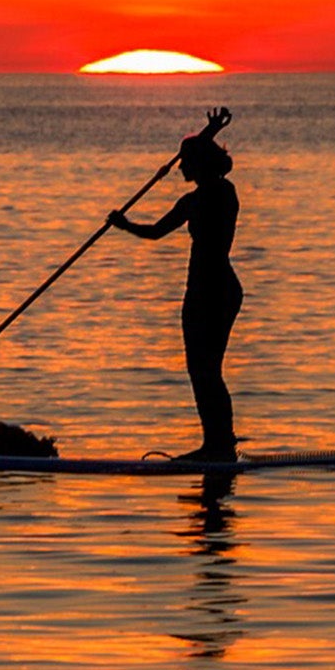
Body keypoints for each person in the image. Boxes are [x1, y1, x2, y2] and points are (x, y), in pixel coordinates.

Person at [107, 109, 241, 461]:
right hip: (208, 291)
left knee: (206, 370)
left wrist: (124, 224)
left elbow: (153, 232)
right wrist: (209, 132)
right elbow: (154, 231)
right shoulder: (210, 195)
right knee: (204, 370)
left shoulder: (211, 198)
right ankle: (219, 442)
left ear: (197, 165)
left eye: (185, 163)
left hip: (212, 292)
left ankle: (219, 445)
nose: (180, 168)